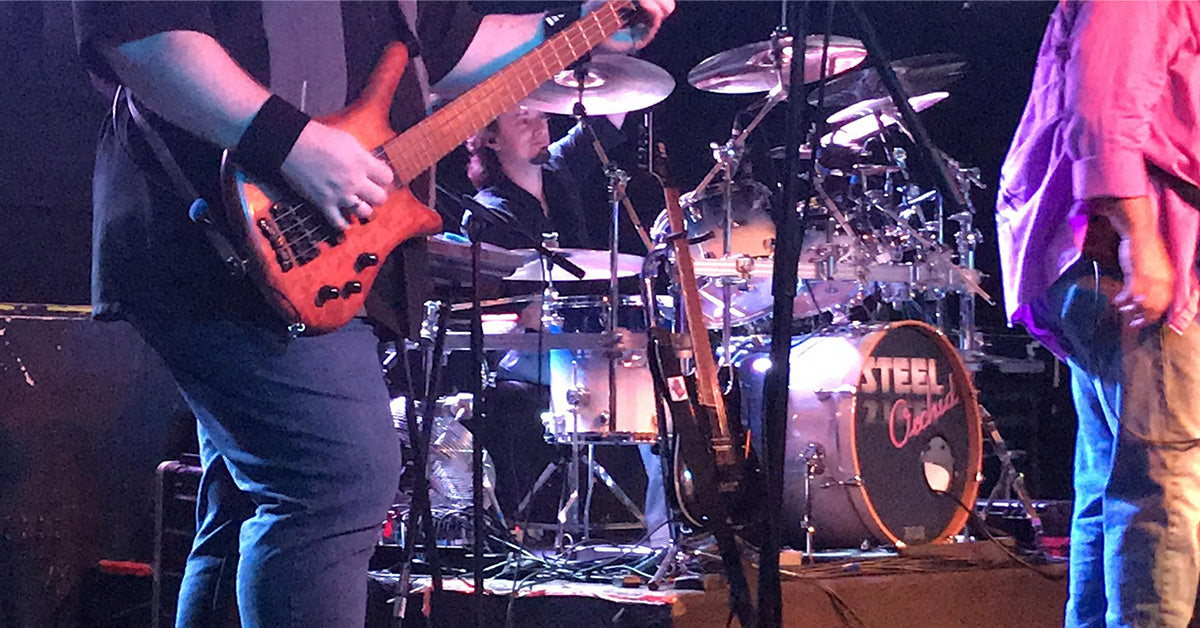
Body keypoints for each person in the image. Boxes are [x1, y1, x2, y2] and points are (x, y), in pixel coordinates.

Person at [71, 2, 673, 626]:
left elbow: (445, 43)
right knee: (336, 477)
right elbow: (131, 27)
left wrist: (580, 24)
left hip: (311, 256)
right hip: (220, 237)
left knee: (249, 504)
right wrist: (293, 145)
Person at [996, 2, 1200, 625]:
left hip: (1107, 255)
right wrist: (1140, 237)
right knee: (1161, 483)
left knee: (1115, 480)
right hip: (1120, 248)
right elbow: (1101, 106)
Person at [462, 104, 670, 546]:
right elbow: (491, 311)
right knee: (638, 376)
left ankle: (668, 536)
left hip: (582, 340)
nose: (541, 128)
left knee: (664, 380)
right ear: (491, 139)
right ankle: (661, 535)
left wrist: (616, 62)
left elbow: (606, 118)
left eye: (543, 118)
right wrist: (525, 312)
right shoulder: (486, 214)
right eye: (524, 121)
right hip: (522, 353)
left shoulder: (556, 173)